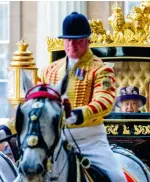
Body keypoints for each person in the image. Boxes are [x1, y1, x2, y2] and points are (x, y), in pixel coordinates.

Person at [42, 12, 127, 181]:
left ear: (88, 41)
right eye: (68, 40)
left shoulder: (100, 69)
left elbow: (105, 101)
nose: (72, 45)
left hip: (90, 141)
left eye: (78, 40)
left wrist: (78, 114)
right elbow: (35, 106)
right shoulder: (49, 71)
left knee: (117, 178)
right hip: (54, 140)